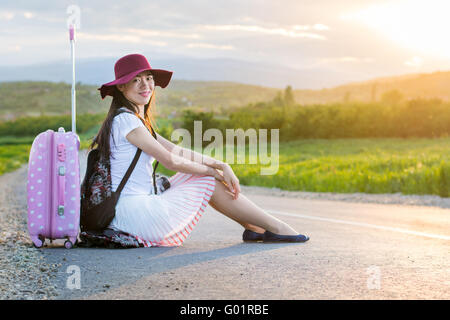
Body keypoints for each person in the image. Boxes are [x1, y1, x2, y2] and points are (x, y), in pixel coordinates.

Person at [93, 53, 309, 247]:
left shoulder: (134, 120)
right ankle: (276, 227)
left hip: (130, 212)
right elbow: (171, 161)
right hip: (134, 216)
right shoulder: (126, 121)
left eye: (149, 78)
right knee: (206, 180)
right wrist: (211, 172)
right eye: (136, 80)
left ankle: (254, 227)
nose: (145, 85)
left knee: (203, 175)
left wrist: (220, 164)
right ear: (121, 87)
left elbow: (176, 151)